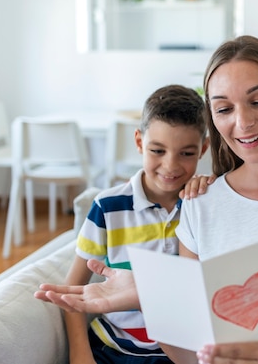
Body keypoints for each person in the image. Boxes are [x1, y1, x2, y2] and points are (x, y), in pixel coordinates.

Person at [35, 35, 258, 364]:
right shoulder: (201, 204)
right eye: (224, 109)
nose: (244, 122)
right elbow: (189, 356)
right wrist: (151, 295)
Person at [61, 84, 209, 364]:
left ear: (203, 148)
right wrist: (79, 354)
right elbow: (73, 291)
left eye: (186, 153)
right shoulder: (107, 208)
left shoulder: (205, 204)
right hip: (111, 348)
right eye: (157, 150)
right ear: (139, 142)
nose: (171, 166)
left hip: (180, 352)